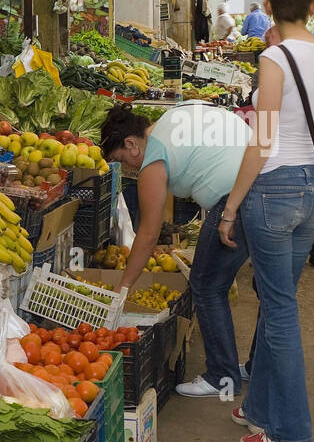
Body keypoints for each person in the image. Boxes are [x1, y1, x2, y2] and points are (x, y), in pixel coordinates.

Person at [219, 0, 314, 442]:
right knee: (278, 301)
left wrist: (230, 208)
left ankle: (291, 432)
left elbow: (262, 142)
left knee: (280, 310)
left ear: (268, 9)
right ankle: (261, 406)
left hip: (273, 191)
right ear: (313, 7)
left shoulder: (274, 60)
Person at [103, 102, 252, 401]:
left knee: (206, 285)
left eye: (123, 159)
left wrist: (123, 287)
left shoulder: (152, 163)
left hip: (235, 201)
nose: (129, 168)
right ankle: (255, 366)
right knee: (270, 292)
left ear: (131, 144)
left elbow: (147, 234)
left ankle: (221, 376)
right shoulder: (168, 120)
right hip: (265, 178)